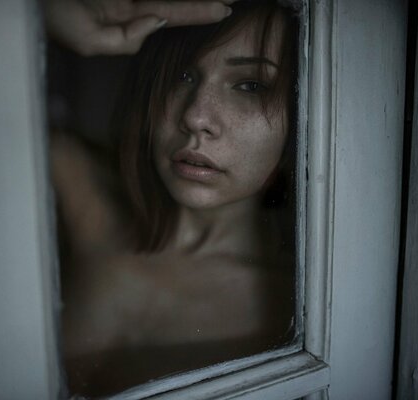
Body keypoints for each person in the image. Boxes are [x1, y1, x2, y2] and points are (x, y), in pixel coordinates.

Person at [47, 0, 299, 396]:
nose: (195, 117)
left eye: (251, 85)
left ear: (302, 115)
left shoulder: (300, 312)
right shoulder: (90, 194)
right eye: (182, 75)